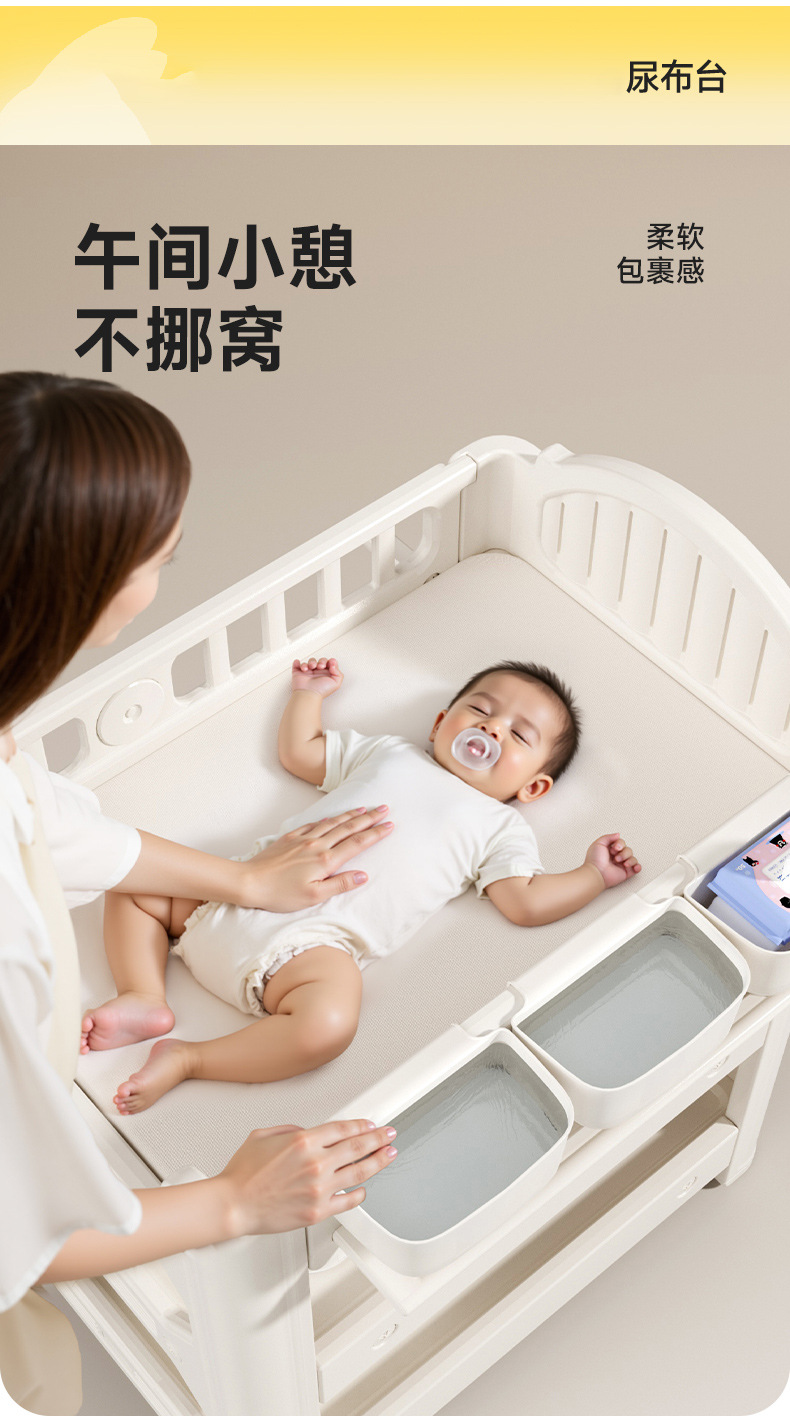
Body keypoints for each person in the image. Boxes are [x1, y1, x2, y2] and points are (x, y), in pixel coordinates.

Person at [0, 372, 397, 1415]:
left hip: (293, 925)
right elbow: (16, 1234)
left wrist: (248, 879)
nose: (172, 556)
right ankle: (173, 1037)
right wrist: (229, 1202)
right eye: (155, 552)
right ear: (76, 584)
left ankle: (165, 1021)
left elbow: (58, 826)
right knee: (322, 1020)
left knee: (321, 1008)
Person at [87, 654, 641, 1114]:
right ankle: (143, 995)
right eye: (480, 710)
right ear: (439, 724)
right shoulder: (390, 753)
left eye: (518, 734)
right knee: (130, 873)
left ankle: (189, 1058)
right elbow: (301, 753)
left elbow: (524, 901)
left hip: (312, 952)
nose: (492, 729)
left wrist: (592, 876)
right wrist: (308, 695)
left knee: (328, 1026)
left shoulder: (500, 826)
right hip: (232, 891)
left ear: (534, 787)